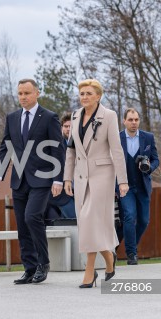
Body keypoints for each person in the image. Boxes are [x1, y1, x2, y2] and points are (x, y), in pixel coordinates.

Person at [0, 79, 65, 284]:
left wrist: (58, 179)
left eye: (27, 93)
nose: (23, 97)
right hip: (19, 180)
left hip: (42, 179)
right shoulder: (12, 117)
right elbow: (6, 146)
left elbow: (57, 150)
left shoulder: (49, 117)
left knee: (33, 217)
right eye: (20, 94)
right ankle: (30, 268)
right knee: (23, 225)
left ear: (37, 93)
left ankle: (44, 263)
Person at [64, 79, 129, 288]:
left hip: (103, 175)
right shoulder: (75, 116)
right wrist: (67, 177)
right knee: (88, 223)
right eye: (82, 93)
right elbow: (71, 150)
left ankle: (89, 271)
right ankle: (109, 258)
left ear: (98, 96)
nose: (84, 97)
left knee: (89, 219)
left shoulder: (109, 116)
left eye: (89, 93)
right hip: (81, 176)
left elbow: (117, 150)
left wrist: (123, 181)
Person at [118, 108, 159, 265]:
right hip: (124, 186)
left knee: (143, 221)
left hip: (142, 185)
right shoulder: (117, 138)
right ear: (124, 121)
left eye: (136, 119)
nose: (133, 123)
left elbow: (156, 159)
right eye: (130, 119)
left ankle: (128, 245)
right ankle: (131, 254)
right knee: (129, 217)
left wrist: (149, 167)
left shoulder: (148, 138)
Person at [48, 112, 76, 219]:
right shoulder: (54, 145)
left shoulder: (81, 143)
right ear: (61, 128)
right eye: (66, 126)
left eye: (71, 126)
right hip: (60, 195)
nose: (68, 129)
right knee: (73, 221)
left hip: (78, 191)